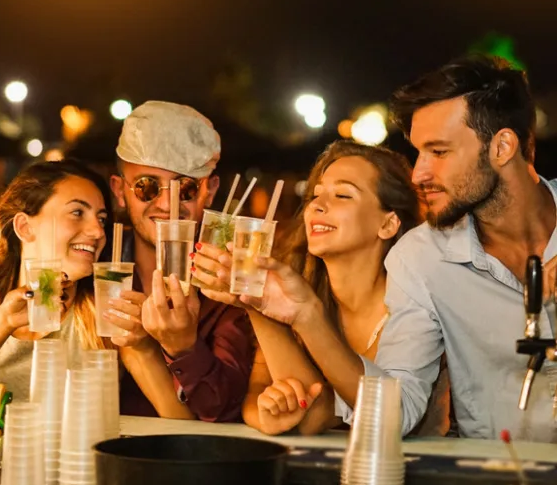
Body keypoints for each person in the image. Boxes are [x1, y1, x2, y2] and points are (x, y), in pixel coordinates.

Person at [231, 57, 557, 441]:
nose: (419, 173)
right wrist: (307, 314)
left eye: (439, 152)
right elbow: (396, 412)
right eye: (419, 152)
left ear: (502, 146)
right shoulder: (420, 259)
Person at [196, 140, 450, 435]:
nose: (317, 205)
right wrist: (267, 414)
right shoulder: (297, 289)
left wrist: (297, 314)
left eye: (343, 195)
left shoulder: (414, 303)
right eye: (315, 195)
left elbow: (382, 416)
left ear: (388, 224)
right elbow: (260, 395)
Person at [106, 101, 253, 422]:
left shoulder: (232, 282)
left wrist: (185, 349)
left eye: (186, 187)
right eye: (147, 186)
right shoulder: (98, 269)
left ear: (210, 191)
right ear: (120, 190)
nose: (167, 203)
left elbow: (229, 413)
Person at [0, 159, 112, 401]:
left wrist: (144, 347)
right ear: (25, 227)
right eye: (77, 213)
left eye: (101, 219)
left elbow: (174, 422)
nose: (98, 231)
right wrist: (2, 323)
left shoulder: (106, 318)